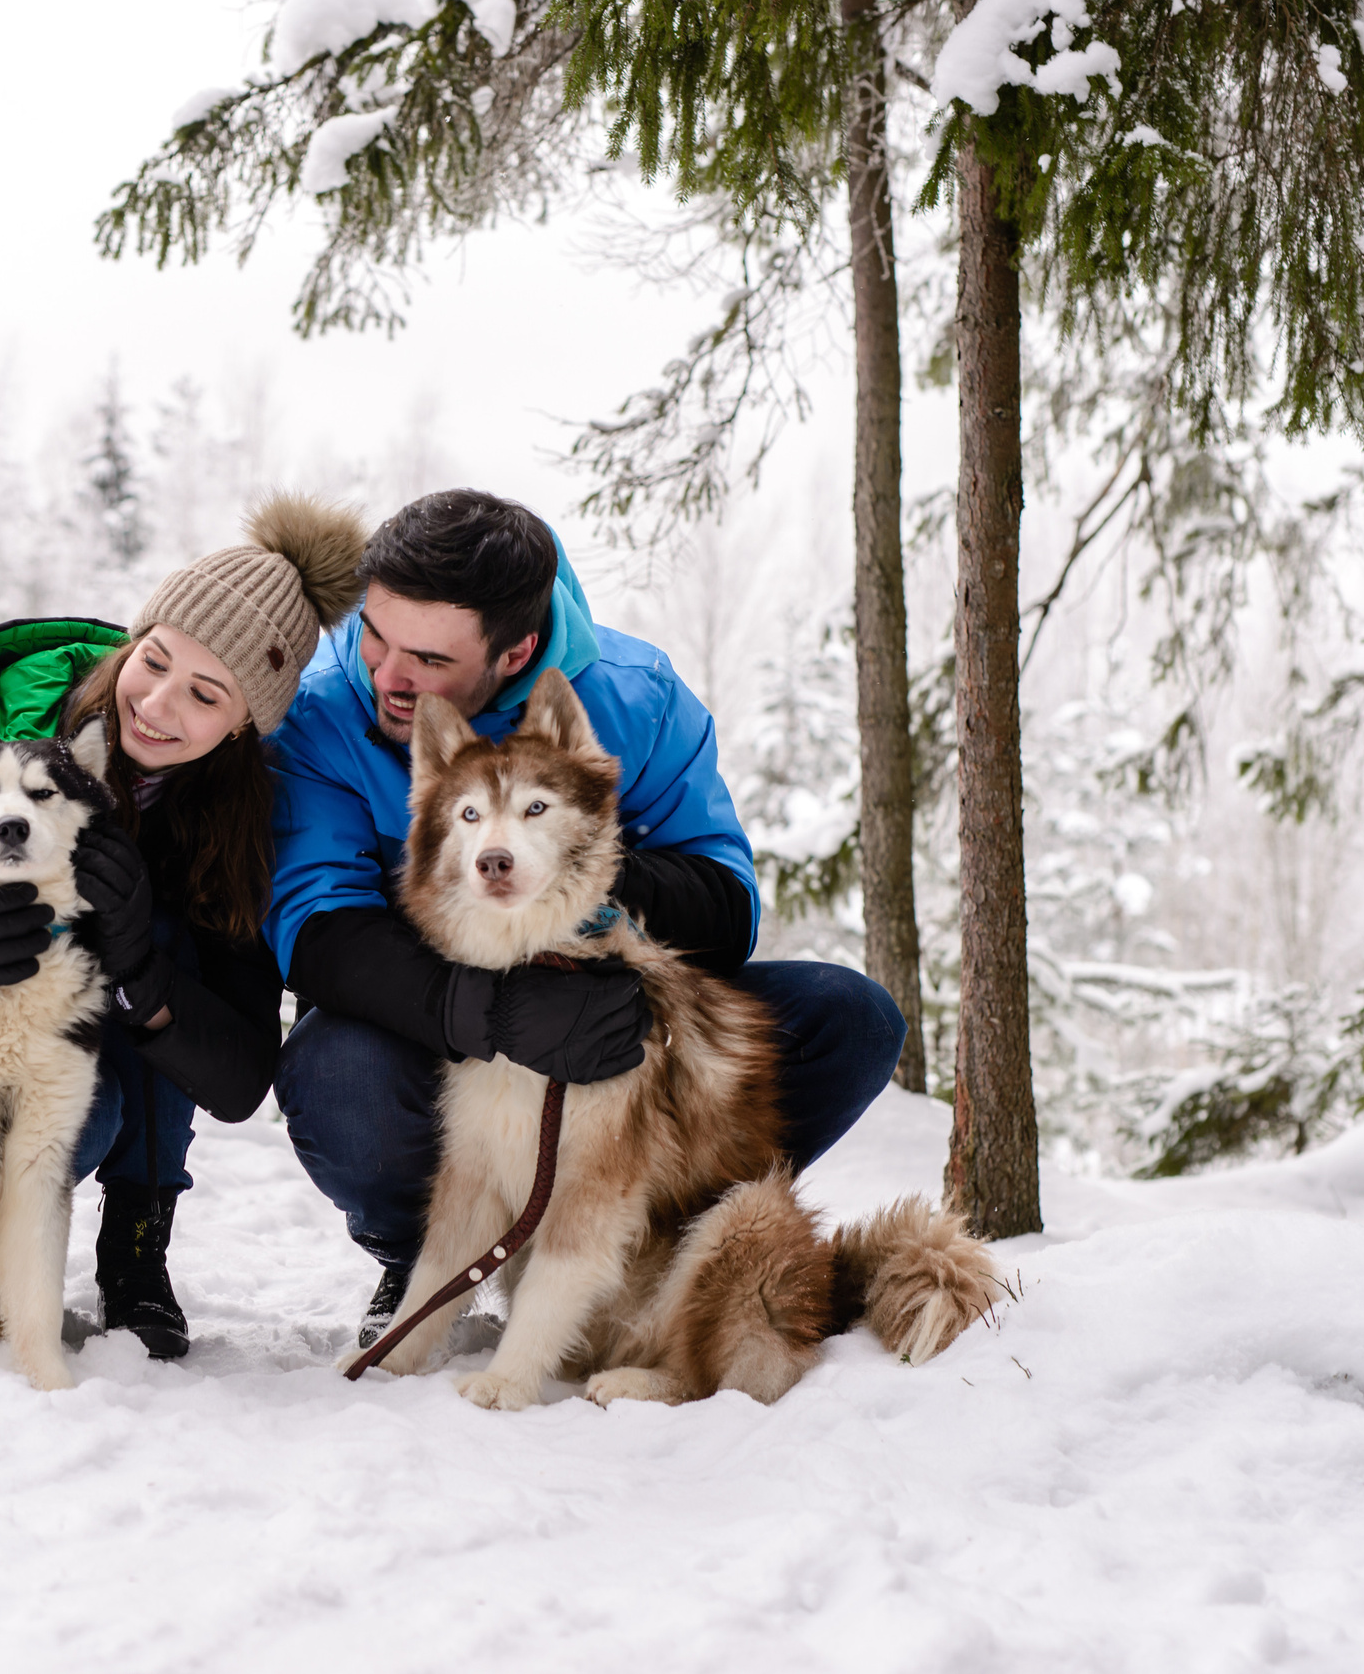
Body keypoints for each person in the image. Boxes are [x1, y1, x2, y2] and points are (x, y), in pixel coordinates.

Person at [267, 488, 909, 1343]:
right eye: (373, 635)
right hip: (435, 1023)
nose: (385, 674)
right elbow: (318, 930)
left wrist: (586, 890)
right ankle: (427, 1257)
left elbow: (723, 902)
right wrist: (490, 1011)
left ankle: (663, 1240)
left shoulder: (631, 695)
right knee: (331, 1068)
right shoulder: (328, 714)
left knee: (847, 1016)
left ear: (517, 648)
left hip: (613, 1018)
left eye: (424, 657)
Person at [0, 496, 368, 1359]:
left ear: (246, 721)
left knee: (148, 965)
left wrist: (138, 966)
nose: (158, 704)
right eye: (154, 660)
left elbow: (240, 1078)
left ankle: (134, 1245)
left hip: (78, 1084)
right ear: (133, 641)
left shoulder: (235, 822)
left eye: (205, 694)